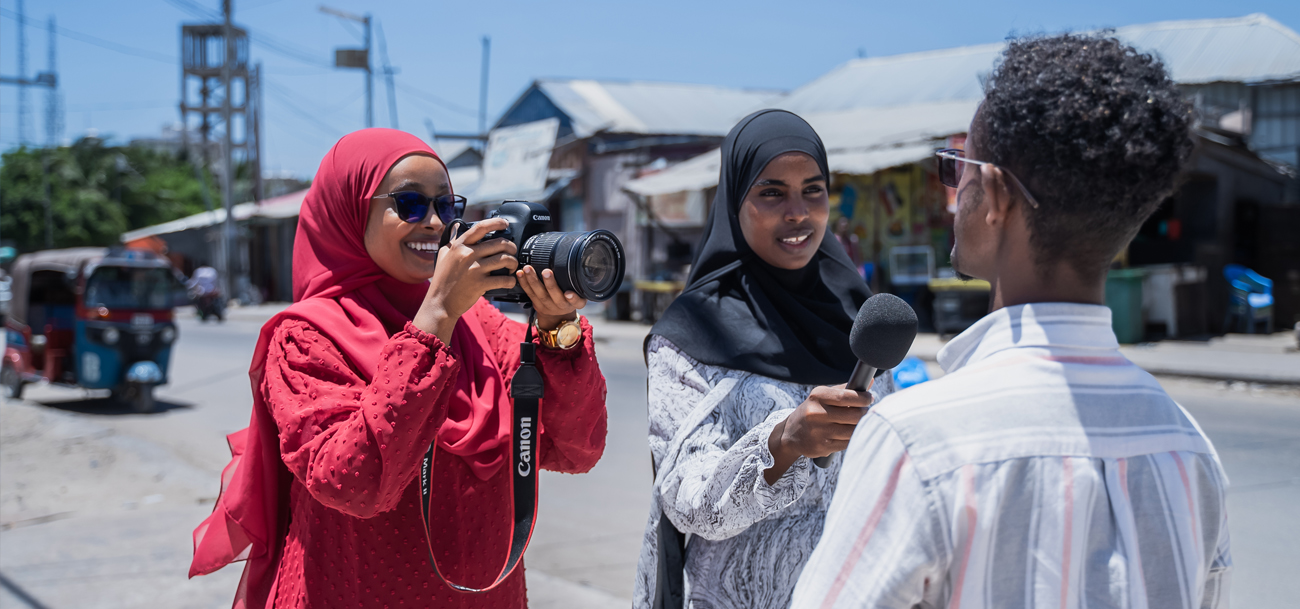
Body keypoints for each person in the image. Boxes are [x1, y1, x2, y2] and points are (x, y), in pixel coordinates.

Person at [791, 34, 1228, 608]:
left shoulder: (917, 439)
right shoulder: (1190, 448)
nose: (954, 193)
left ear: (995, 194)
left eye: (957, 169)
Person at [188, 128, 608, 608]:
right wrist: (434, 324)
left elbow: (575, 450)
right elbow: (355, 484)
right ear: (349, 212)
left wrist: (558, 330)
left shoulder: (480, 323)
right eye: (409, 204)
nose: (433, 222)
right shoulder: (306, 339)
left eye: (446, 207)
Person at [634, 110, 895, 609]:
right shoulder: (689, 333)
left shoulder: (861, 317)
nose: (797, 212)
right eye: (772, 192)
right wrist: (781, 445)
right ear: (735, 202)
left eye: (813, 190)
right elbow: (686, 502)